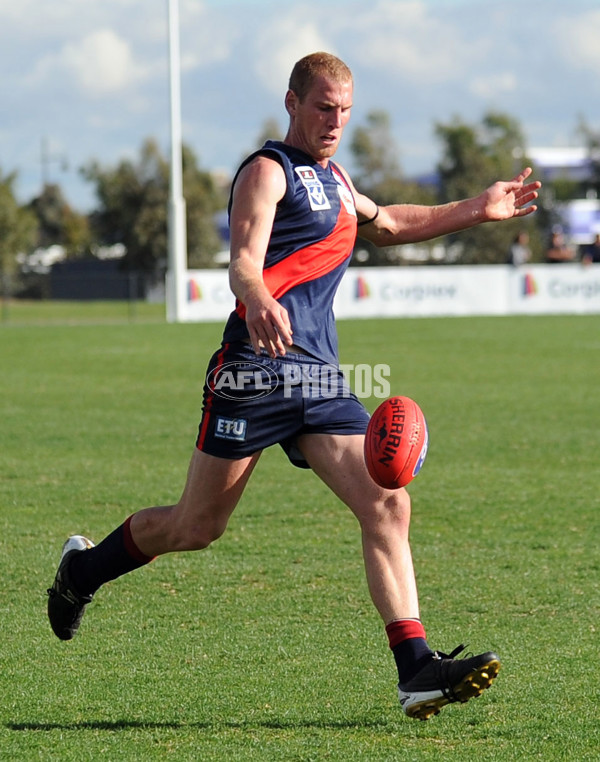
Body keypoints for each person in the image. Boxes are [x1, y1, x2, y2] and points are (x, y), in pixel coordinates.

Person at [47, 52, 540, 721]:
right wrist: (257, 298)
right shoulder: (267, 170)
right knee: (196, 527)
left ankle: (415, 666)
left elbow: (390, 223)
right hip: (253, 371)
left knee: (388, 504)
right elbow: (244, 259)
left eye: (343, 110)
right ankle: (82, 573)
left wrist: (477, 209)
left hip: (318, 376)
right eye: (322, 108)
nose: (333, 121)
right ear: (293, 103)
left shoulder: (337, 181)